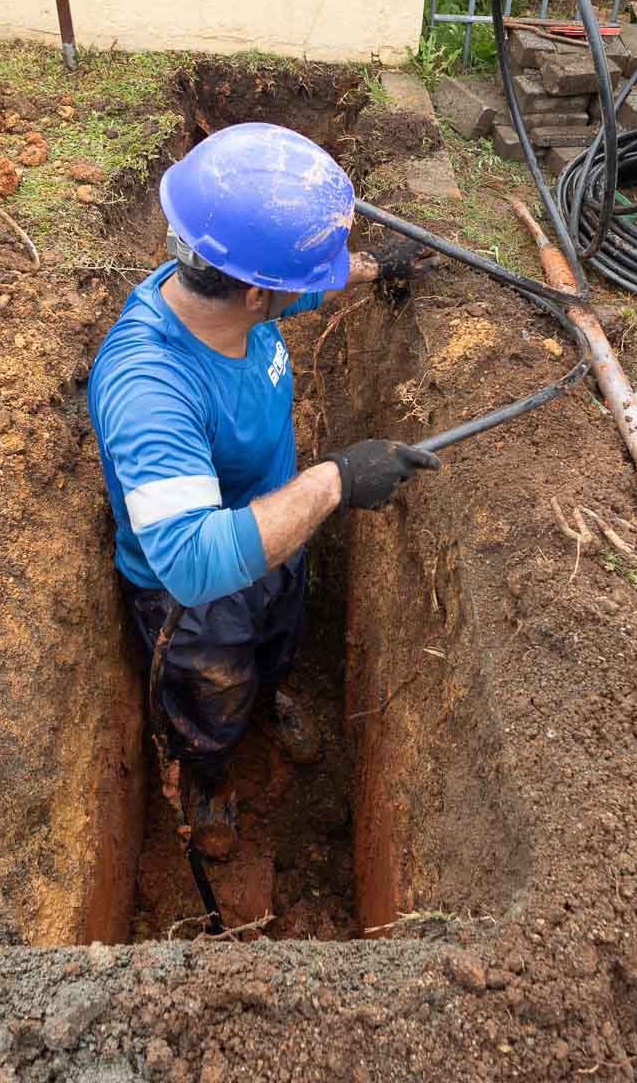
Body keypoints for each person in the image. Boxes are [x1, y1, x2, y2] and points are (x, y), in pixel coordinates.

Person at [87, 122, 435, 860]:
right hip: (198, 594)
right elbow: (190, 560)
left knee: (275, 645)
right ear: (254, 294)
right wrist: (337, 479)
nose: (299, 295)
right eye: (290, 285)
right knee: (211, 690)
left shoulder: (220, 290)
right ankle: (207, 770)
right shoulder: (149, 386)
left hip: (274, 537)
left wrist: (368, 268)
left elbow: (293, 294)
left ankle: (267, 697)